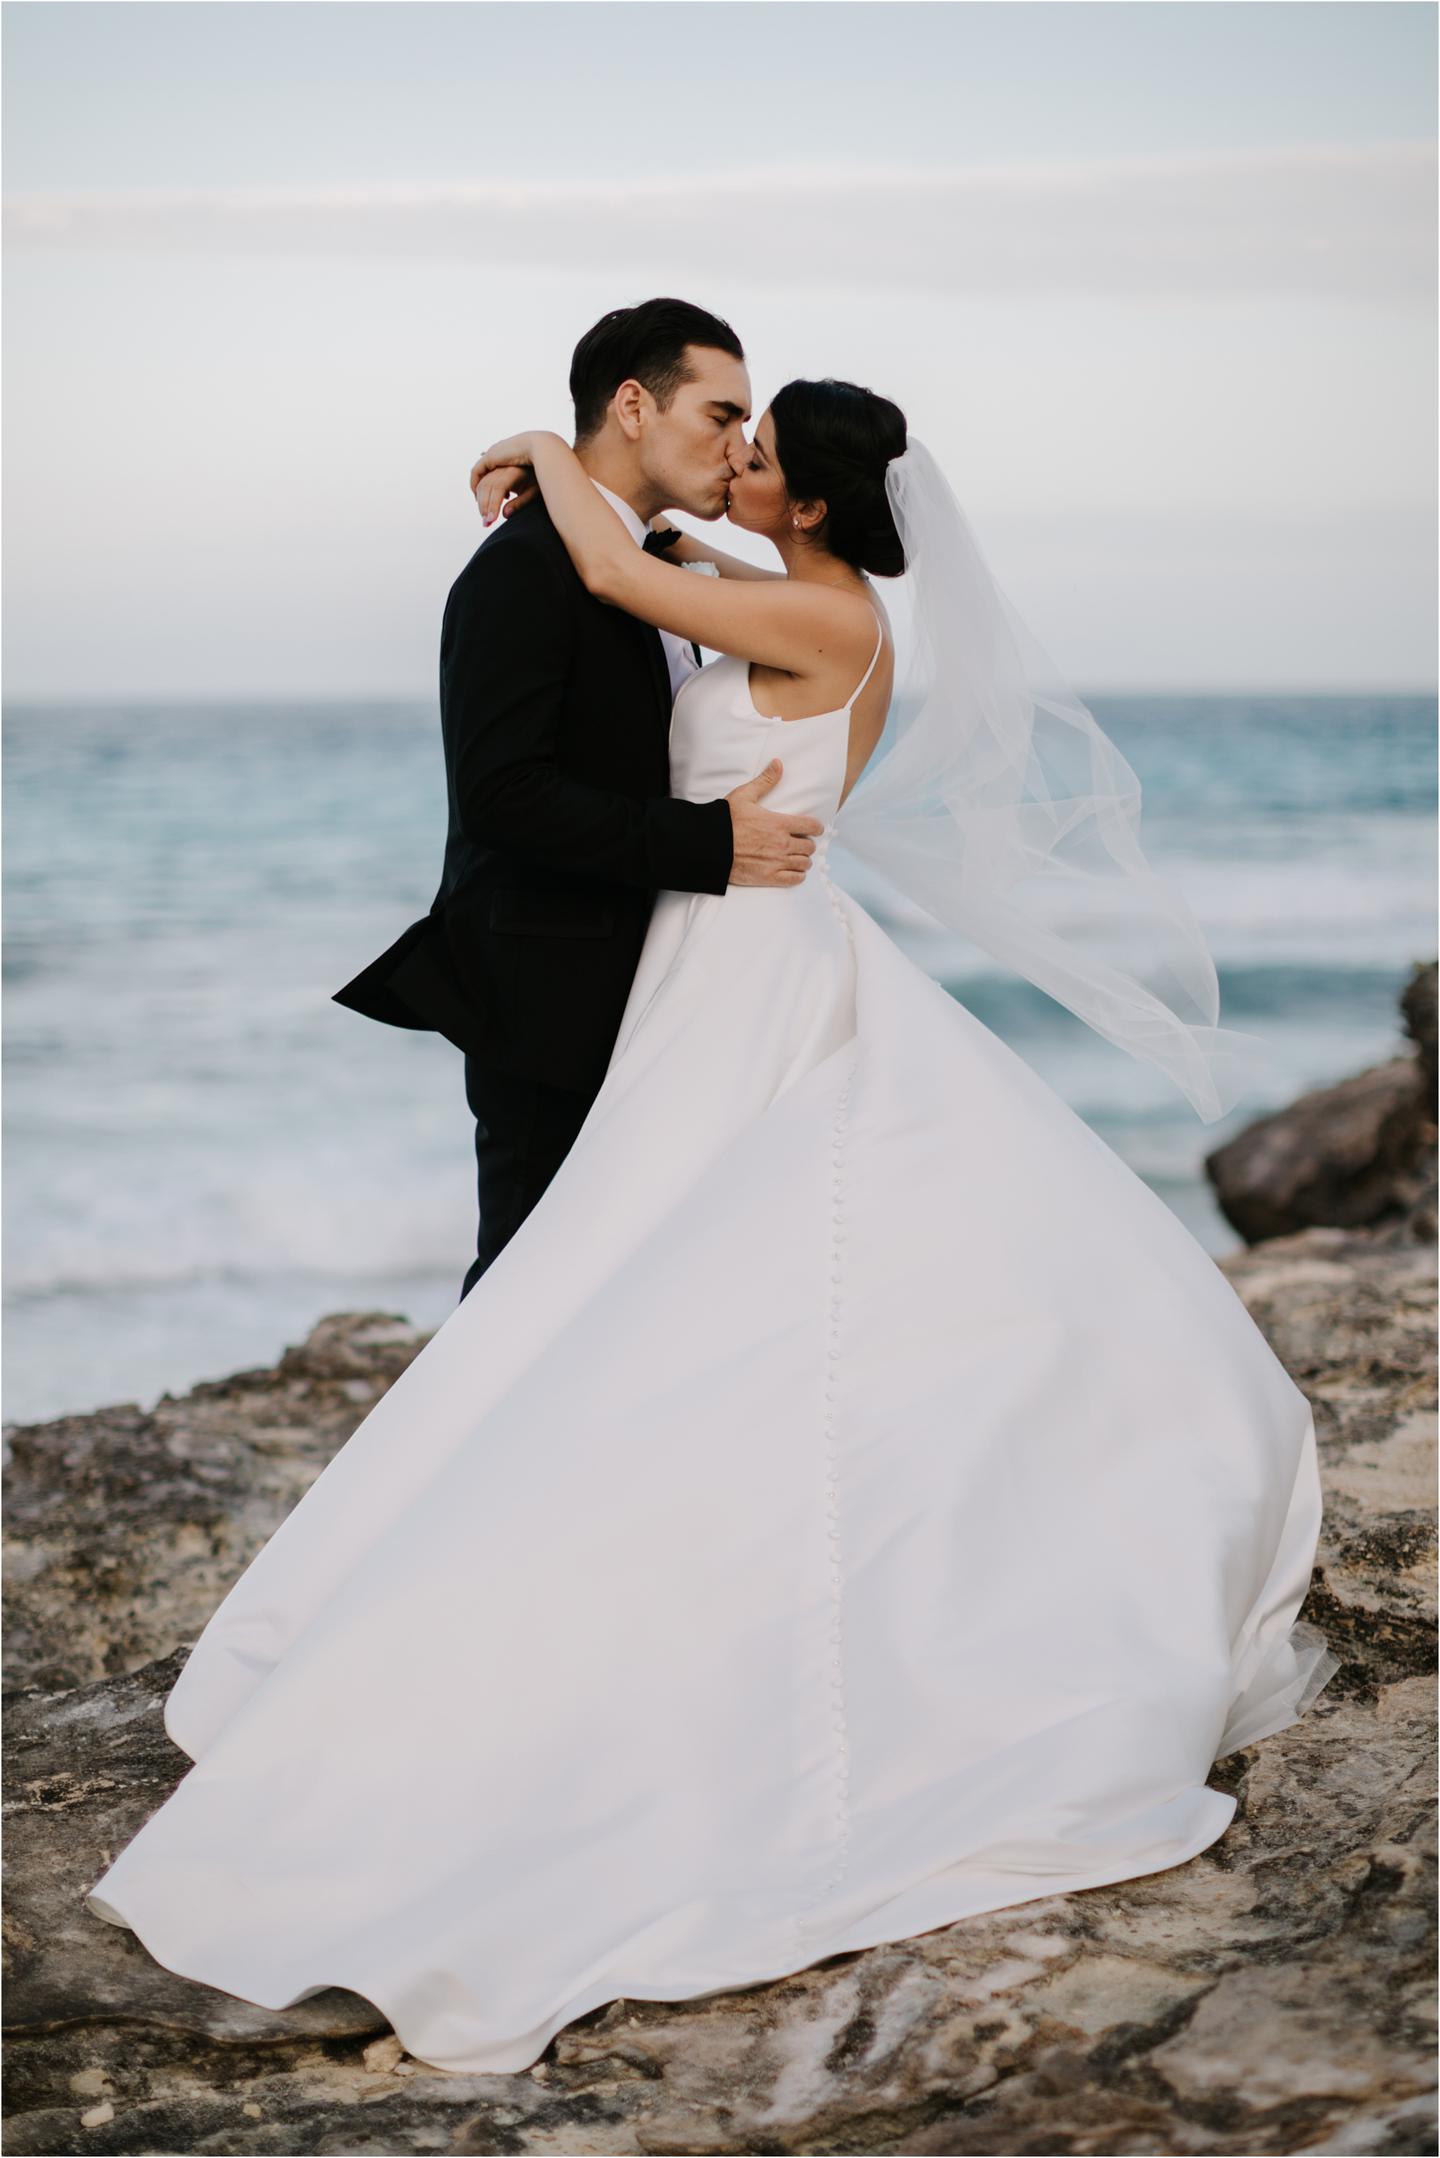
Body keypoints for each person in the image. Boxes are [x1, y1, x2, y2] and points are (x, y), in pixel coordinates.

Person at [84, 373, 1339, 2077]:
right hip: (719, 965)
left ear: (807, 497)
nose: (733, 462)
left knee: (718, 1273)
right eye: (726, 433)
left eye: (756, 451)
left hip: (756, 965)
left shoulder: (818, 615)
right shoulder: (797, 588)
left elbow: (619, 579)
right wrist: (655, 506)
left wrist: (546, 453)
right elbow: (661, 556)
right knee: (647, 1262)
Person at [331, 297, 824, 1297]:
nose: (737, 448)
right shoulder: (523, 569)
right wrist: (708, 845)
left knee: (626, 1293)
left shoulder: (649, 568)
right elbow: (501, 796)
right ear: (635, 406)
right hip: (548, 1001)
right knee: (526, 1291)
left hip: (658, 996)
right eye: (721, 415)